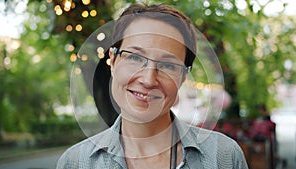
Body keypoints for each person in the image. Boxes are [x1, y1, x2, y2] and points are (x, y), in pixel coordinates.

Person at [57, 3, 248, 169]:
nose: (148, 80)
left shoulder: (224, 157)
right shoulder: (75, 162)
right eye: (134, 57)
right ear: (113, 61)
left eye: (167, 65)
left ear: (182, 76)